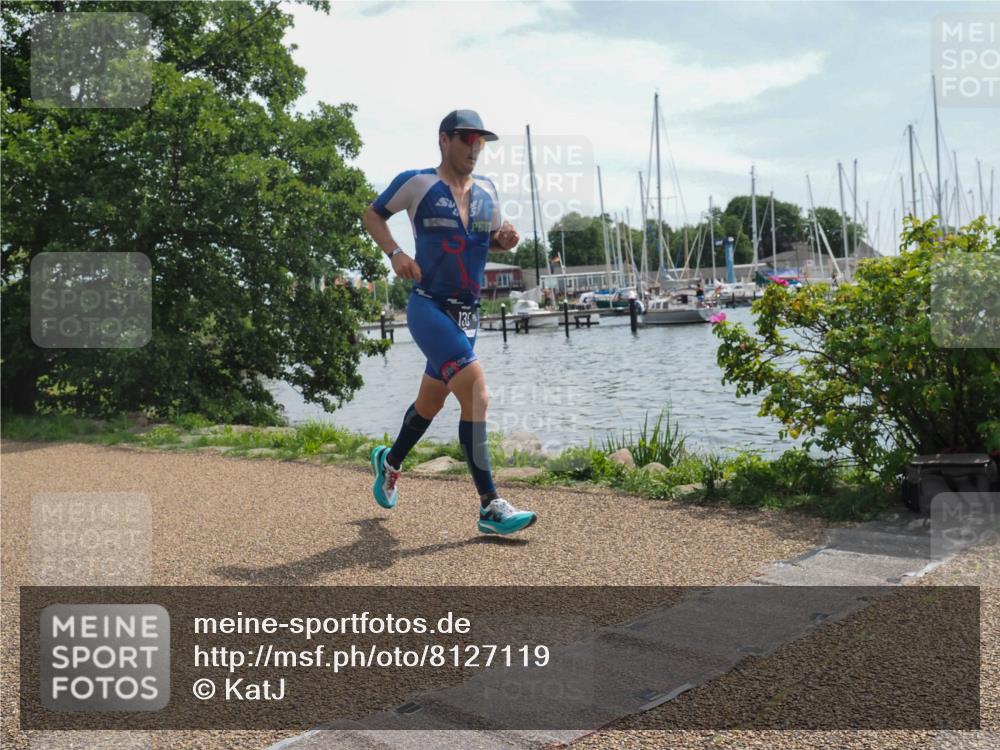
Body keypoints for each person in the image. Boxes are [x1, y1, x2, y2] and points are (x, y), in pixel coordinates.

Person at [361, 110, 538, 536]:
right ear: (445, 140)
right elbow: (373, 215)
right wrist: (396, 254)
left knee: (431, 403)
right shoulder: (418, 183)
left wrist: (506, 240)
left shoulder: (488, 192)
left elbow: (491, 238)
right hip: (428, 307)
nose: (474, 147)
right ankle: (490, 504)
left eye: (480, 141)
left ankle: (391, 462)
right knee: (476, 392)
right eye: (466, 138)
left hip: (468, 314)